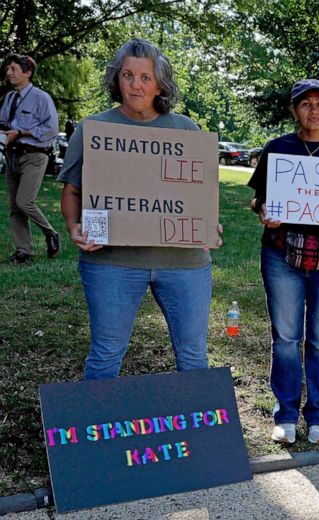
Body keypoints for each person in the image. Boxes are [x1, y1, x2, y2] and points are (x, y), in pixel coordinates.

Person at [58, 38, 222, 379]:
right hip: (111, 262)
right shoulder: (93, 129)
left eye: (145, 77)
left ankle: (196, 430)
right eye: (128, 75)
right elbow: (72, 191)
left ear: (159, 83)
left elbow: (199, 194)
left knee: (193, 357)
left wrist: (208, 224)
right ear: (116, 79)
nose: (136, 85)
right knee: (105, 355)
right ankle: (96, 429)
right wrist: (74, 226)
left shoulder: (185, 130)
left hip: (184, 263)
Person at [247, 79, 319, 446]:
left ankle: (318, 416)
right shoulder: (277, 149)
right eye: (306, 103)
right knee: (285, 337)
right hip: (282, 253)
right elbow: (257, 199)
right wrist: (263, 210)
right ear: (295, 110)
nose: (314, 110)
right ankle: (284, 415)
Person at [2, 53, 60, 264]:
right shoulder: (9, 98)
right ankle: (23, 251)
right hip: (12, 156)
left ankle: (51, 233)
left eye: (14, 69)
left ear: (27, 73)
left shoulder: (41, 98)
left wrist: (22, 132)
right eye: (8, 68)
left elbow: (51, 129)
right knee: (14, 208)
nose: (8, 72)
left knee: (24, 201)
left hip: (34, 156)